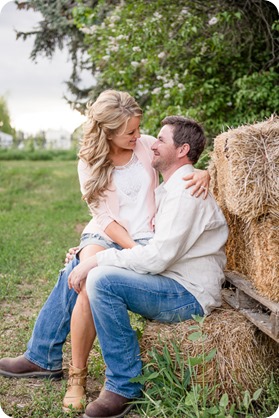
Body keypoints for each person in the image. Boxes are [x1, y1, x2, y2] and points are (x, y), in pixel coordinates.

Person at [0, 92, 210, 410]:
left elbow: (182, 162)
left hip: (145, 236)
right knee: (87, 271)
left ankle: (52, 363)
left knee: (85, 273)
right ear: (108, 132)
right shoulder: (89, 161)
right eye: (130, 133)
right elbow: (104, 219)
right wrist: (112, 252)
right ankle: (62, 370)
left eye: (139, 130)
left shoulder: (146, 145)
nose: (139, 136)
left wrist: (206, 172)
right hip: (108, 232)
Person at [67, 115, 229, 418]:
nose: (151, 145)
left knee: (102, 280)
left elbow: (156, 258)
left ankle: (123, 386)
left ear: (181, 150)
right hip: (173, 281)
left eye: (161, 140)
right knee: (95, 274)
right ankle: (43, 355)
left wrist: (97, 259)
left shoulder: (185, 192)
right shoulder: (173, 188)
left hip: (188, 293)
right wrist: (88, 254)